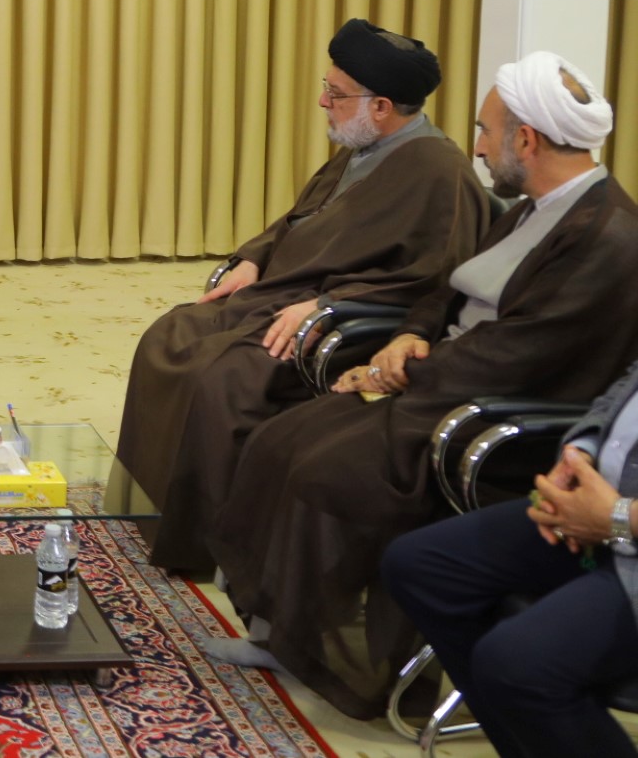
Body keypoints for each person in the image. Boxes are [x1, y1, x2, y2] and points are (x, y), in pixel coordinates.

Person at [204, 52, 638, 719]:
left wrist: (398, 373)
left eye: (486, 131)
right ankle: (283, 631)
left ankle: (336, 657)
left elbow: (522, 353)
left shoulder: (606, 234)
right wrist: (408, 334)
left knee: (327, 468)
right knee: (279, 437)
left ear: (526, 140)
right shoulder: (536, 206)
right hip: (445, 377)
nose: (478, 147)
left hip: (488, 410)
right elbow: (453, 284)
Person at [117, 19, 488, 570]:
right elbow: (299, 220)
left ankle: (208, 542)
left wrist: (327, 306)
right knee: (168, 336)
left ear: (381, 106)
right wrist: (252, 258)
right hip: (281, 292)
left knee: (223, 379)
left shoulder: (440, 171)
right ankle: (150, 510)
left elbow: (433, 279)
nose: (322, 102)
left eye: (336, 94)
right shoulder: (362, 146)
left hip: (338, 317)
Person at [383, 356, 638, 758]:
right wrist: (580, 454)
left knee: (518, 664)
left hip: (624, 527)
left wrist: (619, 518)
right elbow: (628, 385)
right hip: (603, 502)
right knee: (420, 565)